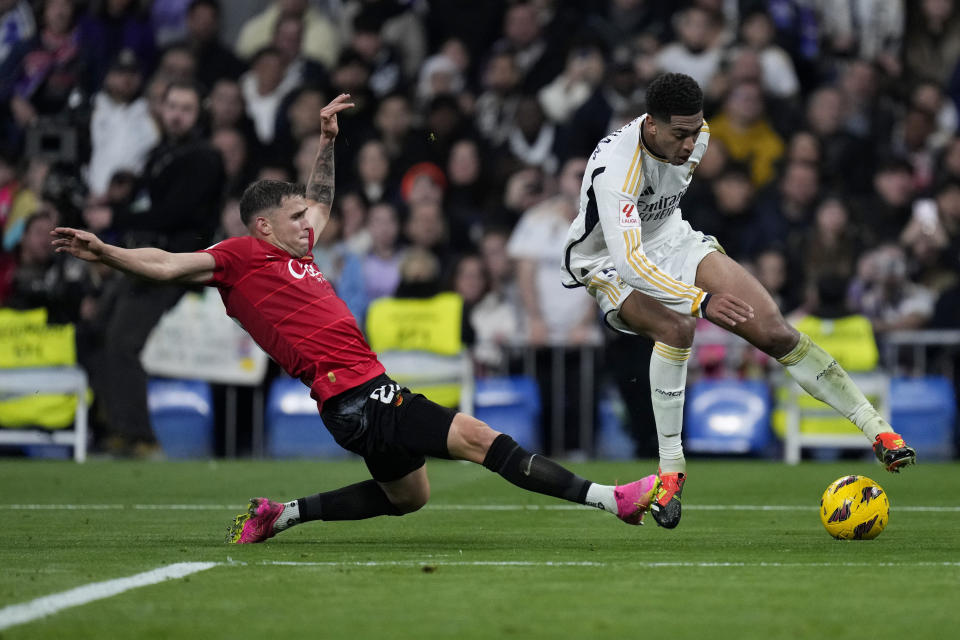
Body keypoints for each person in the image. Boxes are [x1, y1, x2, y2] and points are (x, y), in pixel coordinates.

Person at [53, 93, 658, 544]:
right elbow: (162, 264)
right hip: (358, 393)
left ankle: (280, 515)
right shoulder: (236, 258)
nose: (310, 222)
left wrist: (328, 140)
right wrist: (105, 250)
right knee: (479, 438)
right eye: (295, 217)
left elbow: (321, 197)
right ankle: (613, 500)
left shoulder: (299, 249)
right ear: (264, 225)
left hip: (354, 399)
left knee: (410, 496)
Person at [561, 72, 917, 530]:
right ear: (651, 126)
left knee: (775, 331)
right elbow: (629, 262)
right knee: (677, 328)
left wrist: (696, 283)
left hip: (673, 240)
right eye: (680, 134)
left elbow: (667, 209)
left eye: (696, 130)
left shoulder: (701, 136)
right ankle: (670, 472)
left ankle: (879, 430)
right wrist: (700, 300)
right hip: (606, 259)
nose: (691, 144)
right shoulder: (618, 171)